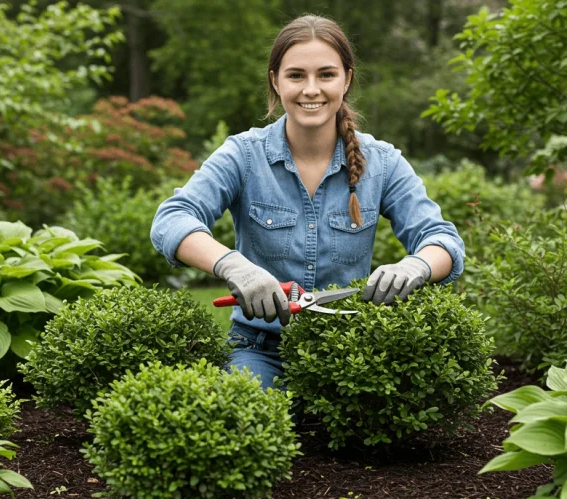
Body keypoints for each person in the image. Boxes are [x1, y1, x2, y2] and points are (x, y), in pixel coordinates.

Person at [150, 15, 464, 391]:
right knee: (251, 420)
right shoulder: (244, 155)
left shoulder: (382, 162)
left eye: (326, 75)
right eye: (296, 75)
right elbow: (172, 219)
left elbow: (442, 239)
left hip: (353, 351)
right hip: (259, 348)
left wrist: (416, 266)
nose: (311, 89)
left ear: (346, 79)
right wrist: (235, 267)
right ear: (275, 80)